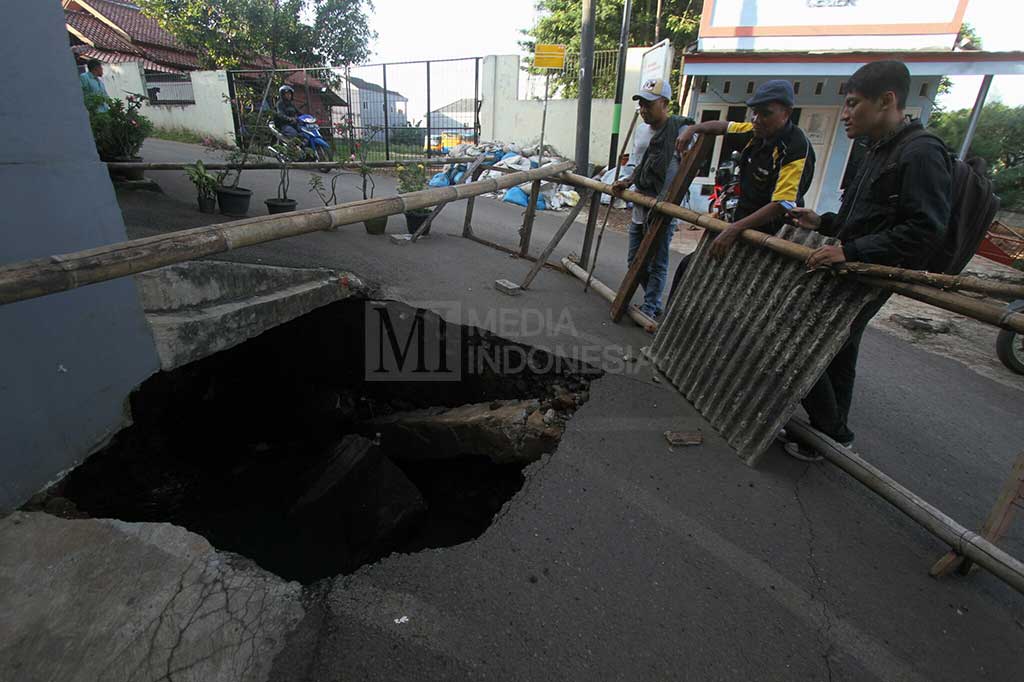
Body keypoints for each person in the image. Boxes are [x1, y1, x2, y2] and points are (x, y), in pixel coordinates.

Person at [785, 60, 952, 459]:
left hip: (871, 272)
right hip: (854, 267)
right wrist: (824, 222)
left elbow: (925, 229)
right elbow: (861, 218)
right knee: (839, 349)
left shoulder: (922, 152)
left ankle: (829, 431)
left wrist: (850, 251)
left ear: (887, 101)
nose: (846, 113)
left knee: (808, 343)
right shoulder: (876, 149)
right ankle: (832, 437)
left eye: (853, 103)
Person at [668, 80, 815, 296]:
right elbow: (723, 126)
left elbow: (782, 204)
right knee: (689, 269)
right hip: (742, 227)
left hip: (770, 238)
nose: (757, 119)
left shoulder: (795, 148)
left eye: (765, 114)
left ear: (786, 113)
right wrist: (693, 128)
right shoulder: (754, 132)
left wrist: (734, 229)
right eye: (754, 113)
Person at [610, 78, 693, 318]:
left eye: (649, 104)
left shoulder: (680, 131)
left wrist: (671, 199)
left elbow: (688, 168)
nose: (644, 110)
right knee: (634, 260)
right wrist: (626, 181)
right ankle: (652, 300)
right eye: (641, 105)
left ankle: (651, 305)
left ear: (665, 103)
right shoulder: (641, 131)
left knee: (657, 260)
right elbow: (638, 164)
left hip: (663, 208)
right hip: (640, 205)